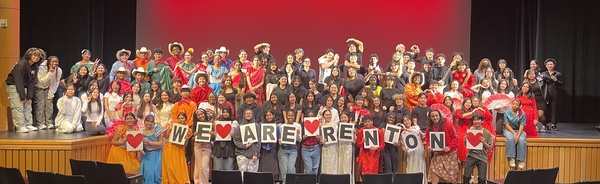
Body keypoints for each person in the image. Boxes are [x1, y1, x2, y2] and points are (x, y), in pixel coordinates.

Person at [425, 110, 459, 184]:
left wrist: (449, 147)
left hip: (450, 154)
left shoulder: (448, 124)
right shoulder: (430, 127)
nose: (435, 118)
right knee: (435, 172)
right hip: (438, 154)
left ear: (440, 116)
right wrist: (428, 146)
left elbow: (455, 137)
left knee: (450, 176)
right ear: (430, 118)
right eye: (433, 116)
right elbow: (427, 138)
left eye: (436, 115)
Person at [162, 112, 193, 184]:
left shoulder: (188, 130)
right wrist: (165, 133)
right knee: (170, 168)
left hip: (179, 150)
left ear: (186, 119)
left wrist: (186, 139)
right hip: (169, 148)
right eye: (179, 118)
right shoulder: (172, 127)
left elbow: (185, 145)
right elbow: (166, 137)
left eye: (182, 118)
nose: (180, 120)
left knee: (178, 168)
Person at [463, 113, 493, 184]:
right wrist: (465, 140)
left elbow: (490, 147)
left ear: (482, 121)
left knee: (482, 179)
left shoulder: (487, 133)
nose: (476, 121)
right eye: (474, 120)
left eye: (478, 120)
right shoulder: (471, 131)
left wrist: (484, 142)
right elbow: (467, 145)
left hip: (482, 157)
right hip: (471, 155)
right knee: (466, 176)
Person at [35, 55, 61, 130]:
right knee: (40, 105)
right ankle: (40, 123)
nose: (55, 63)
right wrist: (50, 73)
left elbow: (56, 83)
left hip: (49, 88)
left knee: (49, 105)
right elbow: (42, 81)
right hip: (39, 87)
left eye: (56, 62)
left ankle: (49, 122)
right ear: (49, 62)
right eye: (53, 61)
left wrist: (51, 93)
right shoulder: (41, 68)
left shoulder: (58, 70)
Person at [233, 109, 261, 176]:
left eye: (250, 113)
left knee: (252, 176)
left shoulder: (257, 126)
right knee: (242, 175)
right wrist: (244, 146)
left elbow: (258, 141)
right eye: (246, 113)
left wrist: (256, 153)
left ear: (253, 115)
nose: (248, 115)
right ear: (244, 115)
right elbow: (236, 140)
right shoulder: (239, 127)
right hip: (241, 153)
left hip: (253, 154)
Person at [400, 115, 427, 184]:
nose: (407, 122)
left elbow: (416, 132)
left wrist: (406, 129)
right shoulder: (403, 133)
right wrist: (404, 149)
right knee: (411, 168)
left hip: (419, 151)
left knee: (420, 167)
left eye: (408, 120)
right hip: (411, 153)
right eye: (405, 121)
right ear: (403, 122)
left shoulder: (416, 127)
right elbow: (403, 145)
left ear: (411, 120)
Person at [139, 115, 164, 184]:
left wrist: (149, 142)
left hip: (157, 154)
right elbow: (138, 146)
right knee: (148, 172)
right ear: (144, 122)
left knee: (157, 173)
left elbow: (161, 143)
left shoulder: (157, 129)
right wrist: (140, 149)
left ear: (154, 123)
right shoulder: (141, 132)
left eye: (151, 121)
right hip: (147, 155)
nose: (149, 123)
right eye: (147, 121)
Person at [278, 111, 302, 183]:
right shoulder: (282, 126)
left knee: (291, 169)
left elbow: (300, 140)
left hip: (293, 149)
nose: (290, 117)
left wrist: (297, 134)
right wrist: (279, 141)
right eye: (289, 115)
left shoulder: (297, 126)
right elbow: (279, 139)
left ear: (294, 117)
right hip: (283, 149)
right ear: (286, 116)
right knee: (284, 170)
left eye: (292, 116)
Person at [212, 106, 238, 171]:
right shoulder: (217, 122)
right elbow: (214, 137)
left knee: (228, 169)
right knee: (218, 169)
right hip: (218, 148)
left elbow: (238, 136)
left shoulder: (234, 122)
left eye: (227, 112)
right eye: (224, 112)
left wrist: (233, 135)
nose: (225, 114)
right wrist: (214, 135)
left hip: (229, 147)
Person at [504, 99, 527, 170]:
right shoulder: (507, 112)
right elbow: (507, 125)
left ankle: (521, 160)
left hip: (519, 130)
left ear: (519, 106)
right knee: (511, 139)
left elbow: (522, 125)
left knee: (521, 140)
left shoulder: (522, 113)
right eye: (513, 104)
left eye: (516, 104)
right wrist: (514, 133)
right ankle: (511, 158)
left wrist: (518, 135)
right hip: (509, 130)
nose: (514, 105)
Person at [541, 58, 563, 131]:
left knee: (554, 109)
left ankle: (553, 124)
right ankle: (545, 123)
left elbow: (561, 84)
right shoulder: (543, 74)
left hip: (554, 93)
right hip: (545, 94)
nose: (549, 65)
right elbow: (540, 83)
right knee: (545, 109)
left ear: (554, 65)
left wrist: (556, 81)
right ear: (546, 65)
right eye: (548, 64)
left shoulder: (558, 74)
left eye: (551, 64)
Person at [192, 109, 212, 184]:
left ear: (205, 114)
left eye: (202, 114)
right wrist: (194, 136)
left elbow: (213, 138)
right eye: (198, 115)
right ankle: (197, 182)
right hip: (198, 147)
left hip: (207, 147)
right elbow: (193, 139)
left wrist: (212, 134)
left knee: (204, 167)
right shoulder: (195, 125)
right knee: (198, 166)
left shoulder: (210, 124)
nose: (201, 116)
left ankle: (204, 182)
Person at [257, 110, 279, 178]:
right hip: (263, 149)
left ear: (273, 116)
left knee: (271, 168)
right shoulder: (261, 124)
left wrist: (279, 140)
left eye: (270, 115)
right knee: (263, 168)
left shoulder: (276, 125)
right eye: (267, 115)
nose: (268, 117)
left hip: (272, 149)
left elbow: (279, 136)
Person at [320, 110, 339, 174]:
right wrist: (321, 141)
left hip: (334, 148)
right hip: (325, 148)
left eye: (329, 115)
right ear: (323, 116)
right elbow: (319, 137)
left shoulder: (335, 125)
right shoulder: (321, 126)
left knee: (333, 165)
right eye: (326, 115)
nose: (328, 116)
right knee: (325, 165)